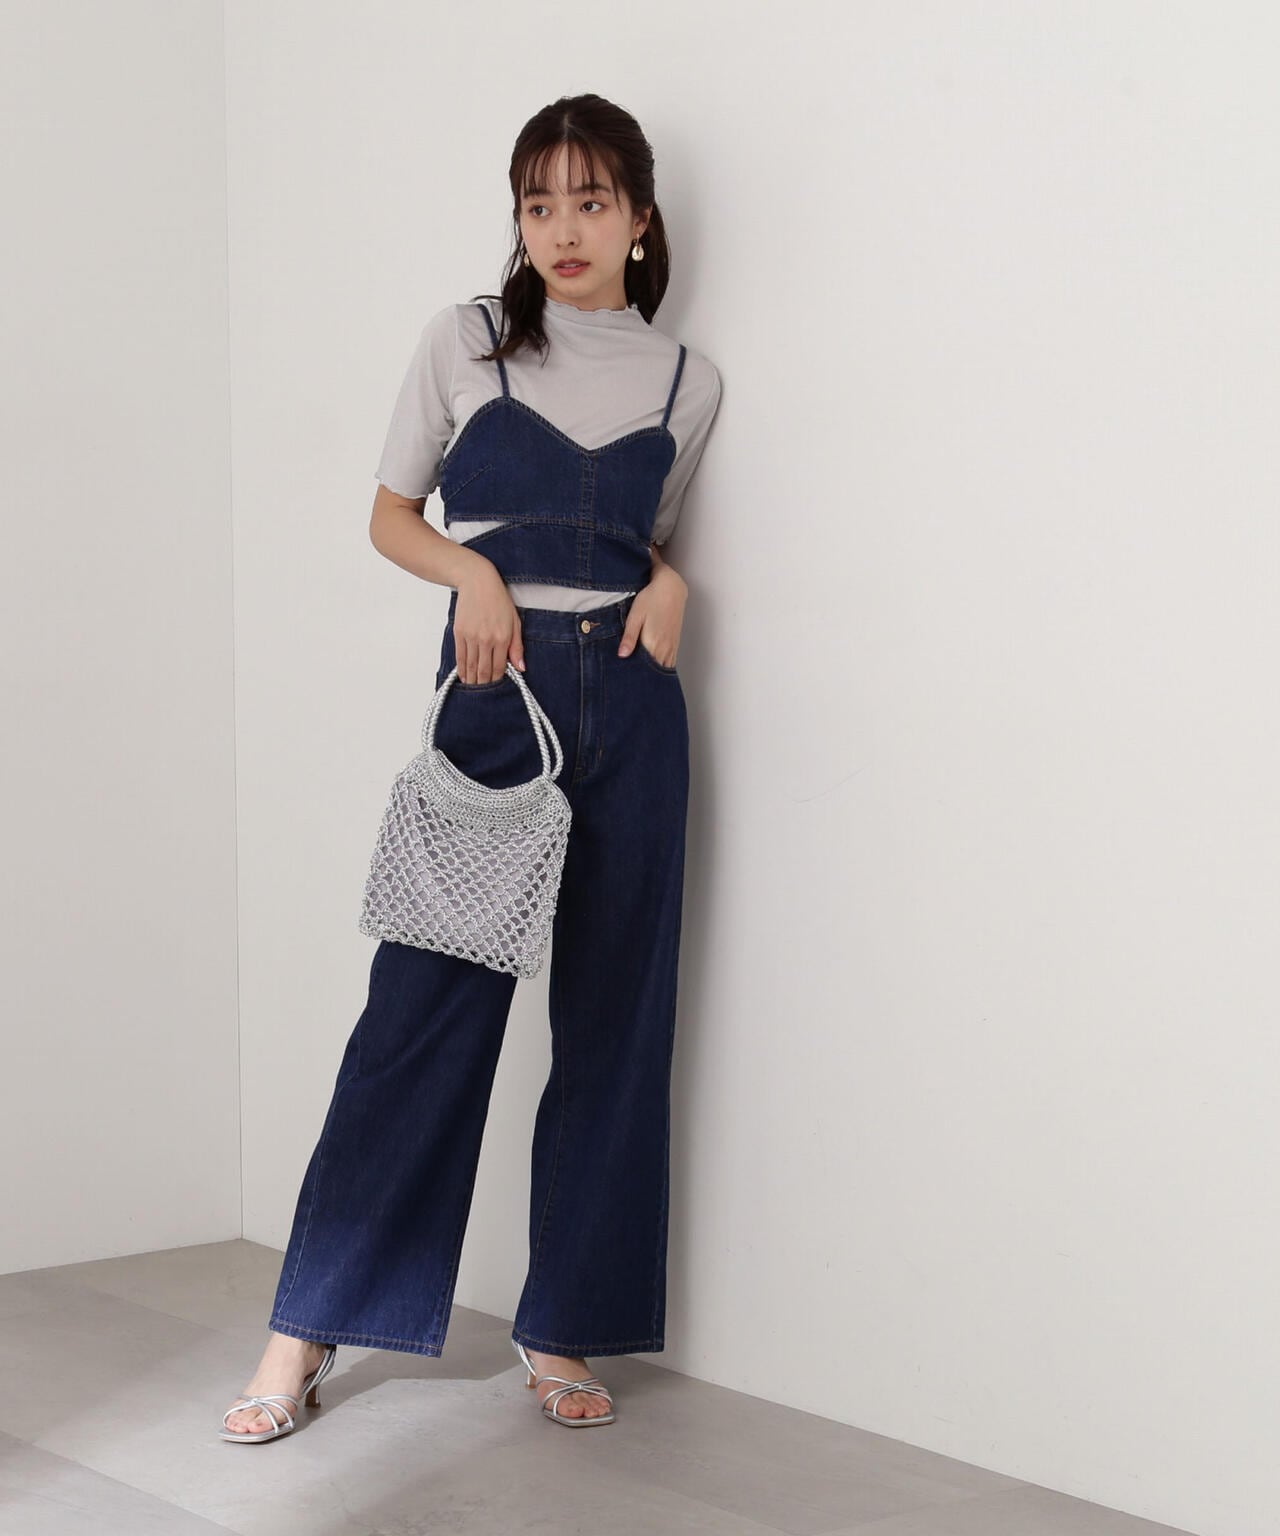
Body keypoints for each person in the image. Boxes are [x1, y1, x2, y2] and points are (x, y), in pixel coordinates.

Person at [220, 92, 722, 1440]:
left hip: (634, 709)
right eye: (539, 203)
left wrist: (673, 581)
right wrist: (473, 574)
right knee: (421, 1015)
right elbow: (392, 515)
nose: (564, 228)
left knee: (617, 1023)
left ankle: (563, 1325)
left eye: (591, 201)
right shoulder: (468, 342)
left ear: (640, 219)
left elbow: (637, 543)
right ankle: (303, 1328)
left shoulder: (687, 381)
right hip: (495, 704)